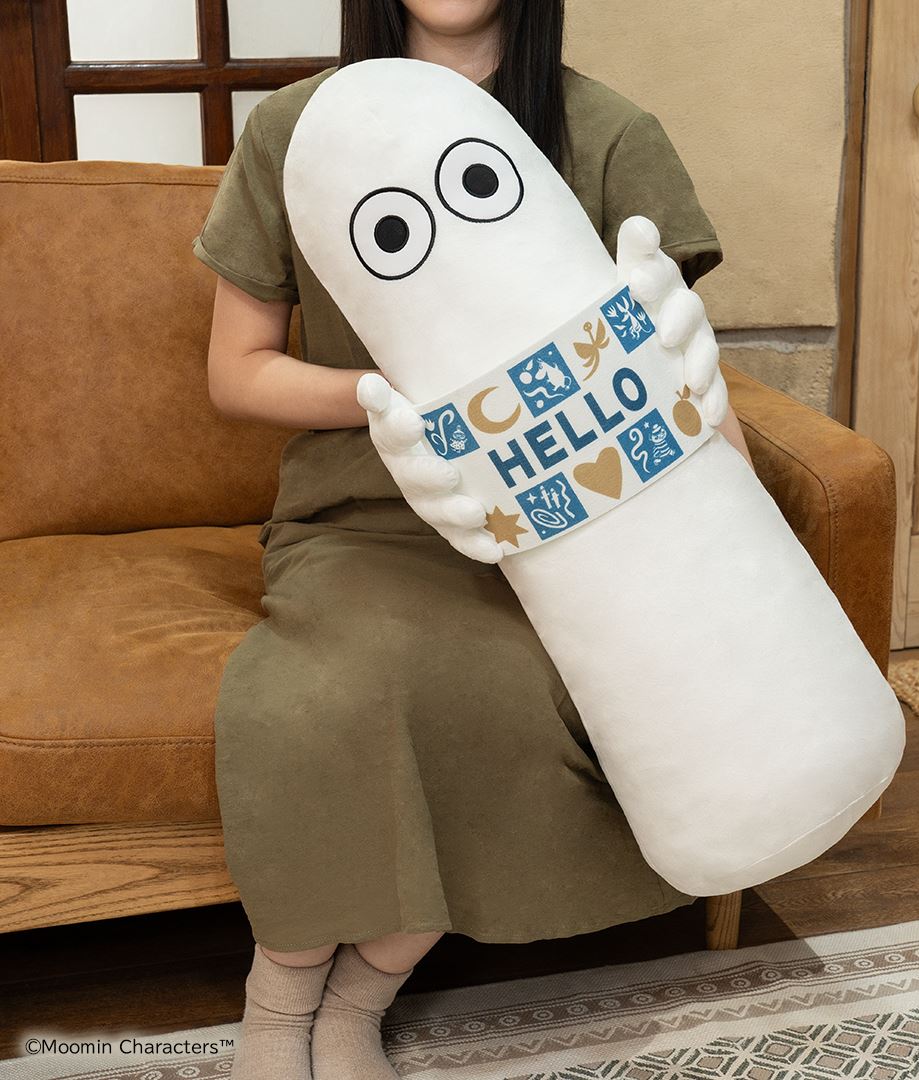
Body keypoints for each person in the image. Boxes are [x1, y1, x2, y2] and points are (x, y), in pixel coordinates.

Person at [194, 2, 751, 1077]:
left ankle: (357, 1001)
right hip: (365, 516)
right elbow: (236, 371)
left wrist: (746, 554)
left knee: (518, 690)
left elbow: (679, 371)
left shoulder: (611, 134)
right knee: (319, 695)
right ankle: (278, 1005)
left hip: (580, 527)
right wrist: (403, 394)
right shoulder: (296, 130)